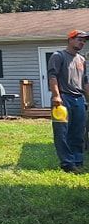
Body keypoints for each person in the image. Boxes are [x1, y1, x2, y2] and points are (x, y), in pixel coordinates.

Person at [48, 29, 89, 173]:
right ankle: (67, 164)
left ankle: (78, 161)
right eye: (79, 39)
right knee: (62, 133)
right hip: (63, 99)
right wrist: (56, 96)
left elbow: (85, 82)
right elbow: (52, 77)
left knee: (78, 132)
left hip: (79, 100)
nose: (82, 42)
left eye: (84, 41)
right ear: (70, 39)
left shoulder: (82, 60)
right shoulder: (58, 56)